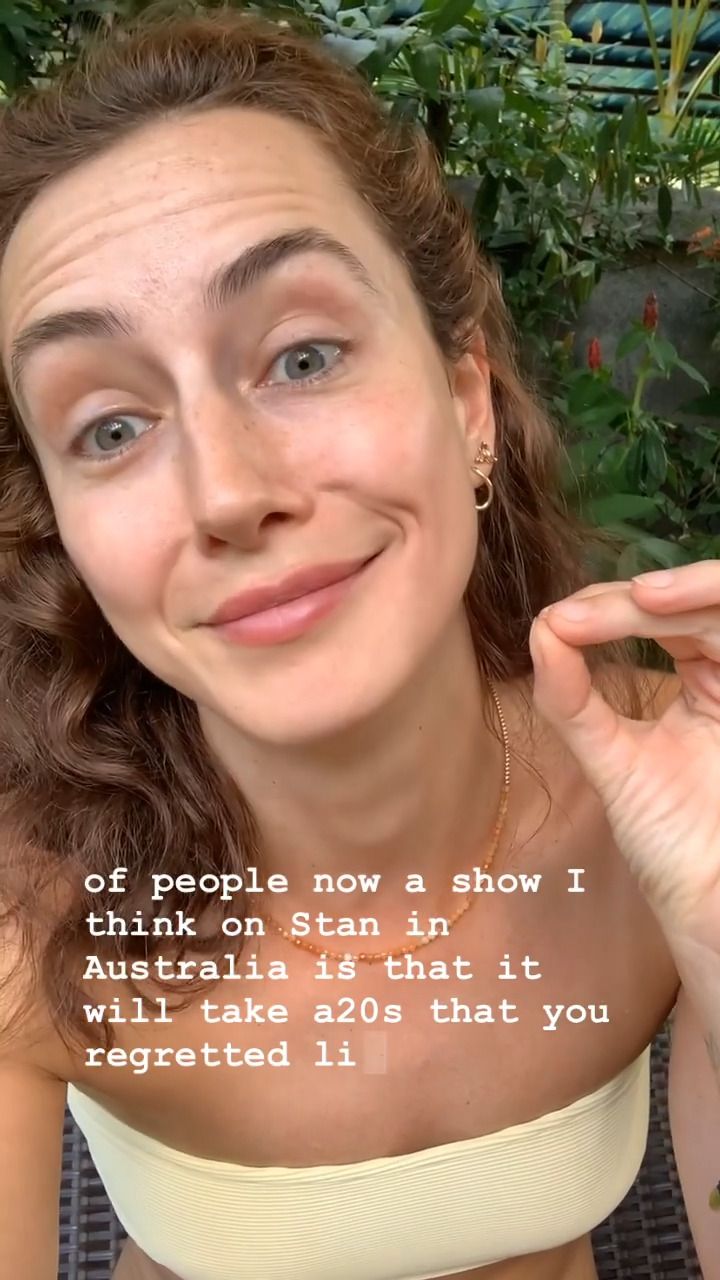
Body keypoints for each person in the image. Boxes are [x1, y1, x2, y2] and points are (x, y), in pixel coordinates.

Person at [0, 6, 718, 1280]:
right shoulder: (31, 912)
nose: (229, 493)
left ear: (466, 397)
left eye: (303, 355)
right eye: (109, 427)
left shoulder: (668, 790)